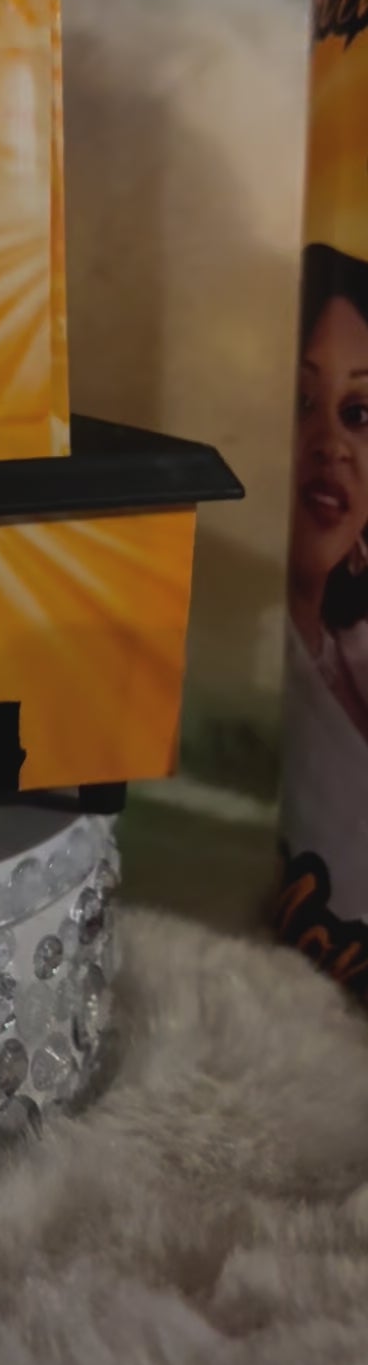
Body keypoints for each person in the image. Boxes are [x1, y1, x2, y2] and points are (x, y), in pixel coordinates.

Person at [284, 241, 368, 913]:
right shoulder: (243, 679)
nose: (330, 444)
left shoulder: (354, 649)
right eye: (300, 400)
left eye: (358, 413)